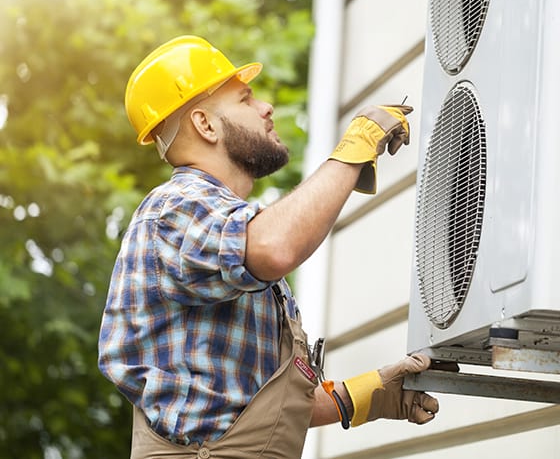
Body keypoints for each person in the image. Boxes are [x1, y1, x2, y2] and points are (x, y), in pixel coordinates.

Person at [98, 35, 439, 459]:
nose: (266, 108)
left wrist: (369, 394)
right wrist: (355, 147)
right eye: (245, 99)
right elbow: (276, 246)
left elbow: (244, 415)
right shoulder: (176, 209)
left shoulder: (222, 230)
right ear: (205, 124)